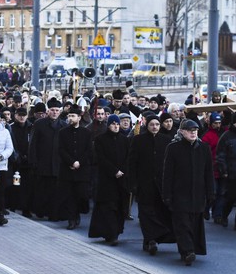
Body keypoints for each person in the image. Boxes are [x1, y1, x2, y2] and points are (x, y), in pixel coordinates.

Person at [162, 119, 214, 266]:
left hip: (198, 194)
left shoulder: (204, 148)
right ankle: (187, 251)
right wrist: (167, 195)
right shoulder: (173, 148)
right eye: (190, 130)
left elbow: (208, 173)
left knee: (195, 224)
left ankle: (192, 249)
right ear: (182, 131)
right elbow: (168, 174)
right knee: (182, 224)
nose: (193, 132)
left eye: (195, 130)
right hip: (179, 195)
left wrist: (211, 193)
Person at [128, 114, 174, 255]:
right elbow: (132, 163)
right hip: (144, 184)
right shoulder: (138, 140)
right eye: (152, 125)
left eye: (157, 125)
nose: (154, 127)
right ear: (146, 126)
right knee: (146, 213)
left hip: (160, 185)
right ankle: (151, 240)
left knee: (159, 213)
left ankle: (150, 239)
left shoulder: (166, 140)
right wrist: (133, 183)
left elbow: (170, 164)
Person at [89, 114, 129, 245]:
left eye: (117, 124)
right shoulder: (100, 139)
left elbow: (128, 157)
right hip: (107, 180)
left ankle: (116, 232)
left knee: (119, 207)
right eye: (113, 124)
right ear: (109, 125)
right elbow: (101, 158)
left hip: (121, 179)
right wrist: (114, 171)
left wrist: (122, 170)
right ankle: (111, 234)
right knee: (108, 207)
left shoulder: (124, 140)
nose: (116, 126)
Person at [56, 105, 93, 230]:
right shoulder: (62, 132)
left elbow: (88, 151)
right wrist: (71, 162)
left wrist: (79, 162)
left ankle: (77, 214)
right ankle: (71, 219)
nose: (70, 118)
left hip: (82, 170)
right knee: (69, 195)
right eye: (69, 116)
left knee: (81, 194)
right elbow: (61, 149)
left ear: (79, 117)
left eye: (73, 116)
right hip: (67, 169)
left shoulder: (87, 132)